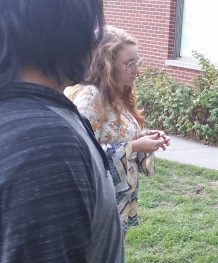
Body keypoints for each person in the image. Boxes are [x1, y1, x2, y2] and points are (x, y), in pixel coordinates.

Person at [0, 1, 126, 263]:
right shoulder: (40, 140)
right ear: (67, 28)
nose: (96, 40)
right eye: (94, 25)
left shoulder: (31, 114)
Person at [65, 26, 169, 233]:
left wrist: (144, 138)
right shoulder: (90, 98)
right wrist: (134, 146)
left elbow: (113, 135)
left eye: (137, 61)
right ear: (106, 65)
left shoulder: (118, 94)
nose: (137, 70)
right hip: (97, 205)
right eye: (129, 63)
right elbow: (80, 156)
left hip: (117, 200)